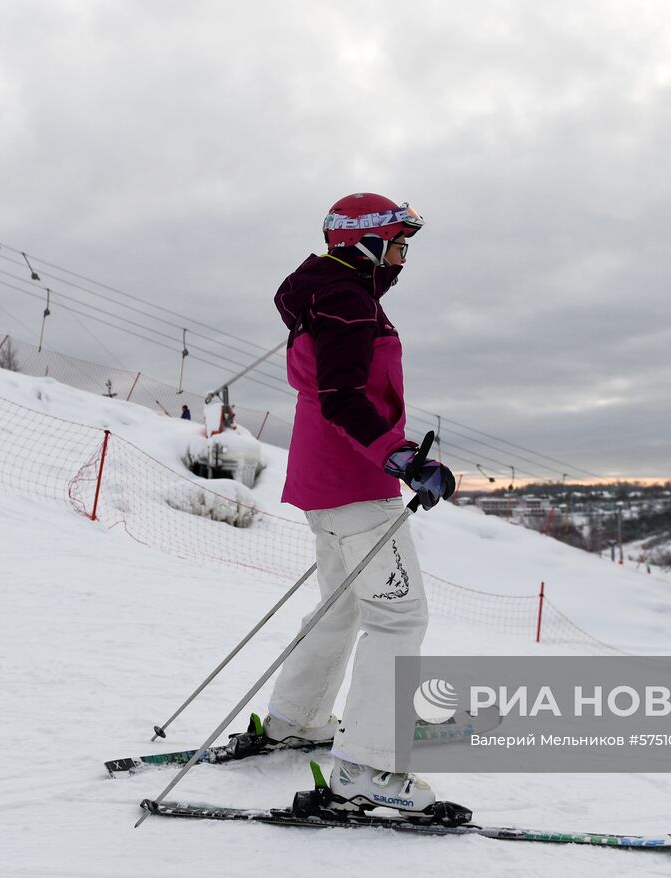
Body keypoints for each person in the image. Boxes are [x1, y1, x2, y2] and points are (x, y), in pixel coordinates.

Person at [265, 193, 453, 816]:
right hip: (353, 482)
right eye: (399, 243)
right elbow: (343, 395)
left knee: (340, 605)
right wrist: (402, 457)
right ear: (365, 243)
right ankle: (369, 766)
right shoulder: (347, 299)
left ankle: (296, 719)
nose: (403, 257)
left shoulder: (327, 292)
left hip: (326, 477)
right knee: (398, 617)